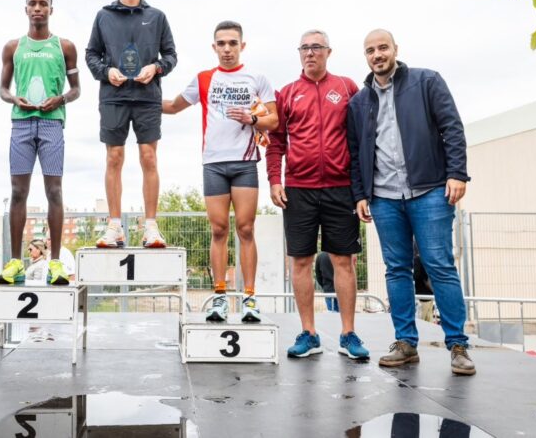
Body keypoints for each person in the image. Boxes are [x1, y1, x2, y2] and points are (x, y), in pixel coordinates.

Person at [347, 29, 475, 375]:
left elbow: (452, 127)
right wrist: (360, 194)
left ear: (395, 50)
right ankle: (405, 342)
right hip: (384, 197)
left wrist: (457, 173)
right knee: (397, 269)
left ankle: (458, 345)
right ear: (366, 56)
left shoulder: (426, 81)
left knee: (439, 265)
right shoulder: (359, 102)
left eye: (382, 47)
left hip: (431, 190)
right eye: (370, 50)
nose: (377, 54)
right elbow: (355, 153)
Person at [163, 21, 278, 322]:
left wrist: (252, 119)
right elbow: (174, 106)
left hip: (244, 164)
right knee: (218, 230)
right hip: (213, 163)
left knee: (246, 229)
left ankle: (250, 298)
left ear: (242, 45)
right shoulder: (204, 78)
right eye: (222, 44)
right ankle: (219, 297)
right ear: (214, 47)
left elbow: (274, 120)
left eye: (233, 43)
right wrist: (138, 99)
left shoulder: (257, 78)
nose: (227, 49)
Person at [267, 30, 369, 360]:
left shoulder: (347, 87)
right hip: (299, 189)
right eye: (305, 48)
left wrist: (361, 190)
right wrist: (274, 180)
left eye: (317, 47)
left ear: (329, 52)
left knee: (343, 260)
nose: (310, 53)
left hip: (341, 189)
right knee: (300, 261)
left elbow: (361, 139)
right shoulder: (287, 94)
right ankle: (309, 333)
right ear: (299, 53)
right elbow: (276, 141)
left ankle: (348, 333)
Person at [86, 0, 177, 248]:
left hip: (148, 97)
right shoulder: (104, 16)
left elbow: (171, 56)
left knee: (149, 157)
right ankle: (115, 226)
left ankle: (151, 227)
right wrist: (106, 71)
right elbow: (91, 55)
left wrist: (156, 67)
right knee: (114, 158)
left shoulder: (157, 17)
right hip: (113, 97)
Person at [0, 0, 80, 284]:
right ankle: (16, 262)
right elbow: (3, 89)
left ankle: (56, 262)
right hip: (21, 123)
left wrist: (60, 99)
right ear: (26, 9)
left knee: (54, 191)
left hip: (51, 123)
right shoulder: (12, 47)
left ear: (50, 10)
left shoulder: (65, 47)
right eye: (32, 3)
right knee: (18, 192)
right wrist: (13, 99)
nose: (37, 8)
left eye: (42, 4)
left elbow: (76, 90)